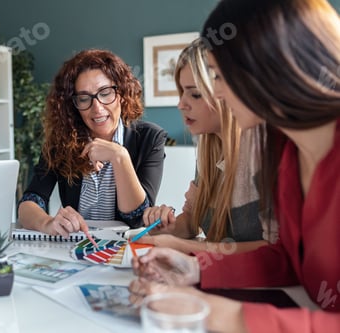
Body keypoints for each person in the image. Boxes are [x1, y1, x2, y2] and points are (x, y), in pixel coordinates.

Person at [129, 0, 340, 332]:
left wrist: (219, 313)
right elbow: (285, 259)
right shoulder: (287, 156)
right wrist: (196, 270)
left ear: (270, 65)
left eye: (218, 76)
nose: (219, 93)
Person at [138, 38, 275, 255]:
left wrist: (185, 247)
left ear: (225, 92)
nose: (181, 104)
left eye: (195, 94)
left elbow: (277, 250)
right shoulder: (209, 146)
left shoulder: (262, 151)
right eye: (181, 92)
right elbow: (192, 221)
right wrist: (166, 226)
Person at [18, 49, 167, 237]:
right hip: (77, 247)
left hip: (126, 249)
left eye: (105, 93)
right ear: (74, 105)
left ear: (121, 93)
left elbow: (137, 217)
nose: (97, 108)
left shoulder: (150, 137)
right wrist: (47, 223)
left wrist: (119, 156)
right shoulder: (61, 141)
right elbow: (30, 201)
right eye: (84, 98)